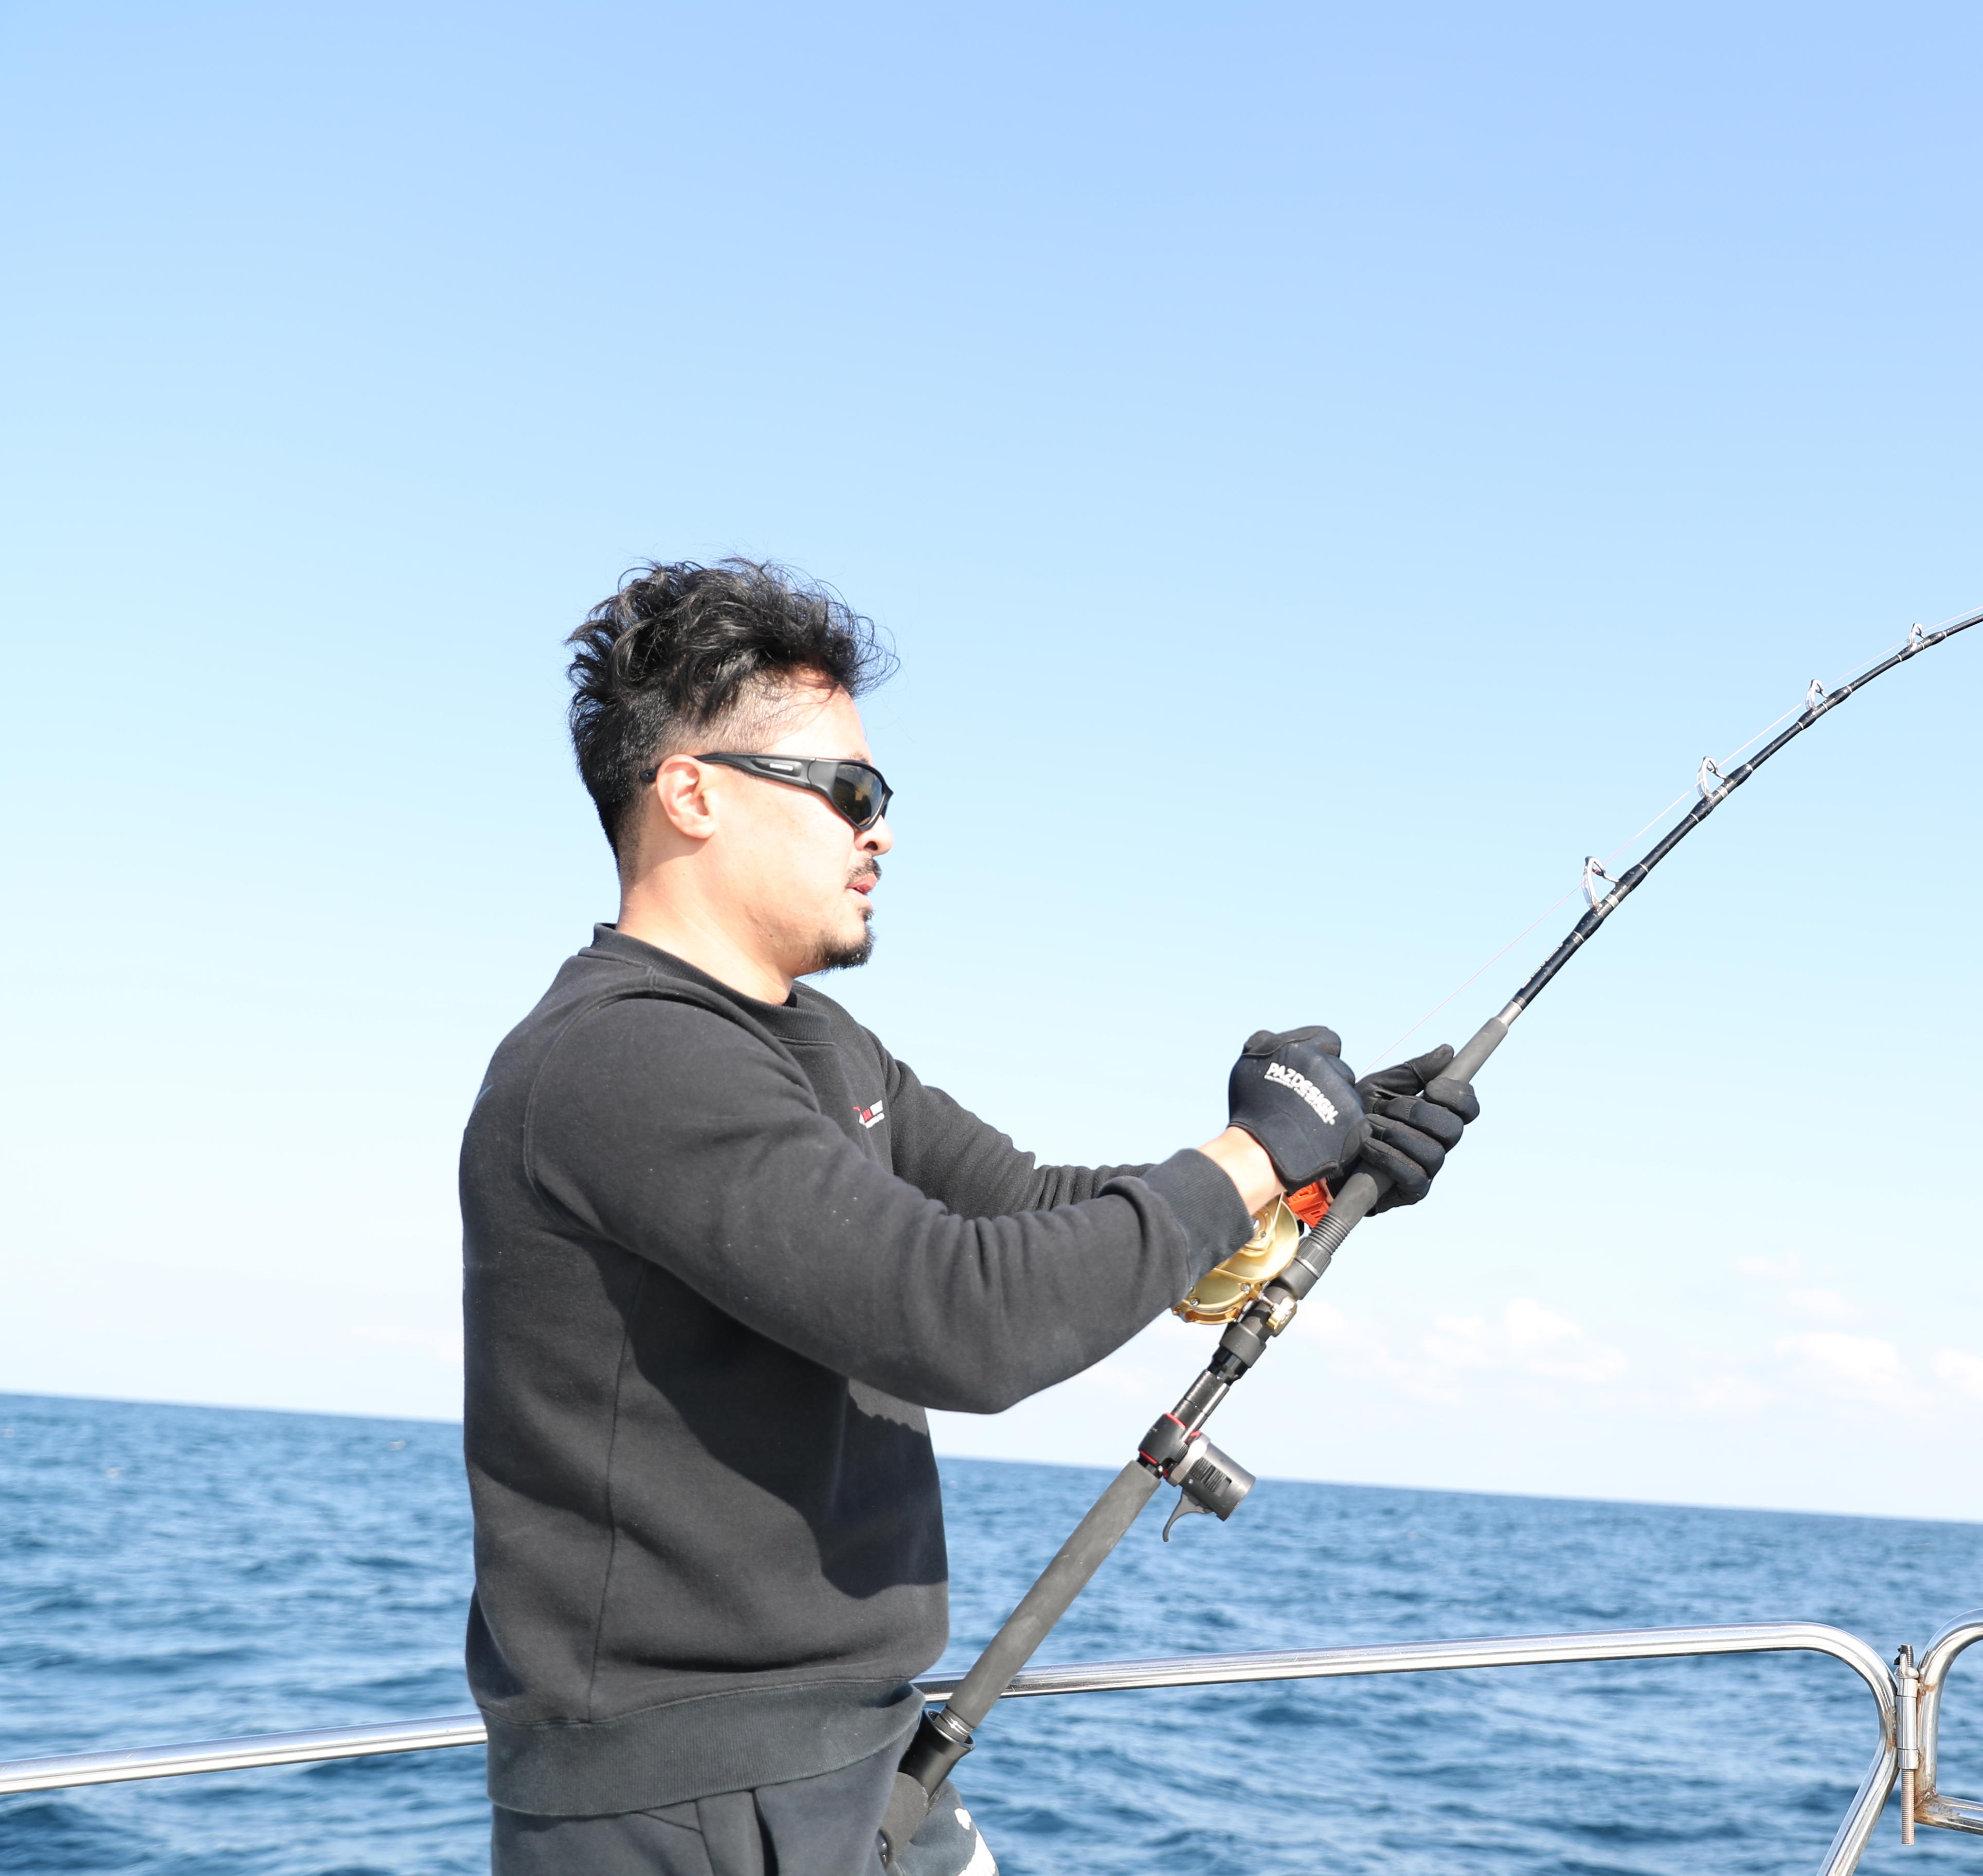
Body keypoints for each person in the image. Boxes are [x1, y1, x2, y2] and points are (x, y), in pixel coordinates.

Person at [458, 561, 1479, 1875]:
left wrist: (1320, 1174)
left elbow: (1040, 1218)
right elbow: (960, 1319)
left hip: (872, 1768)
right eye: (850, 794)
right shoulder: (621, 1060)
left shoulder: (821, 1048)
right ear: (693, 792)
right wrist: (1248, 1151)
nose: (879, 831)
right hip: (690, 1807)